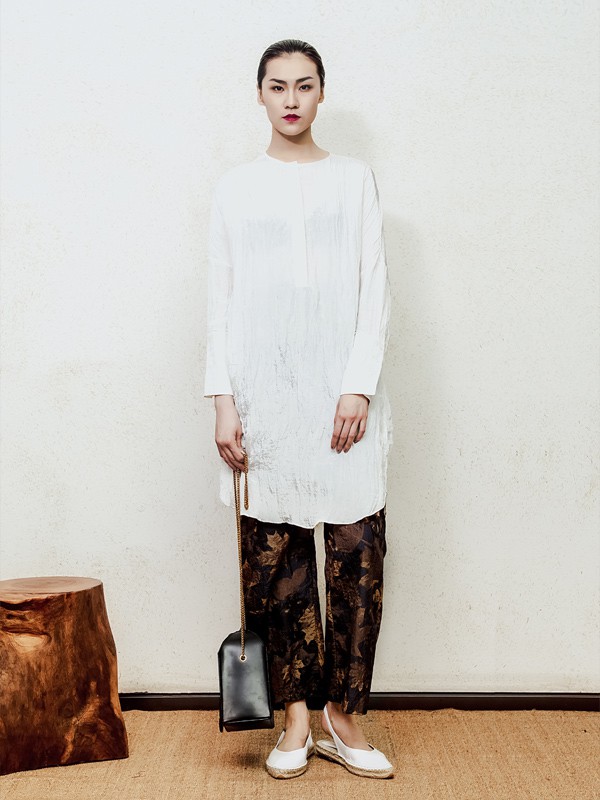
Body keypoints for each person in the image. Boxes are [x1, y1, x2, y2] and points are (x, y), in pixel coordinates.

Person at [203, 39, 394, 779]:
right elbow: (219, 300)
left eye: (304, 85)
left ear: (321, 94)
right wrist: (224, 401)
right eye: (277, 86)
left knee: (356, 552)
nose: (291, 99)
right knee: (276, 561)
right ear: (259, 94)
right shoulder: (235, 189)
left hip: (343, 396)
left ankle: (344, 717)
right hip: (263, 398)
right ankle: (293, 721)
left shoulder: (354, 180)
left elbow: (374, 287)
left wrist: (358, 385)